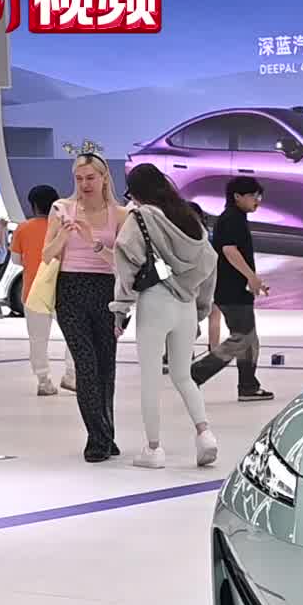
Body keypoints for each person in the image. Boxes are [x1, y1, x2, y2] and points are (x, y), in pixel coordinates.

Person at [113, 164, 219, 469]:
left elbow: (126, 264)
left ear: (135, 191)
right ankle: (205, 434)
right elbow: (209, 263)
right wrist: (201, 308)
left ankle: (154, 449)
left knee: (150, 379)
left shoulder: (140, 218)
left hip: (154, 301)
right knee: (183, 375)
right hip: (186, 305)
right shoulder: (188, 218)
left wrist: (120, 309)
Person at [44, 154, 127, 463]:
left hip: (106, 291)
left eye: (90, 177)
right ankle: (97, 437)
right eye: (79, 179)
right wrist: (64, 235)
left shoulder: (120, 214)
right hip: (70, 289)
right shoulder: (61, 209)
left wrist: (95, 243)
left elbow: (123, 264)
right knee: (86, 364)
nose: (84, 184)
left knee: (106, 366)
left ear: (104, 178)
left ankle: (106, 433)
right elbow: (46, 255)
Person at [189, 176, 273, 402]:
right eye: (253, 196)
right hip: (231, 289)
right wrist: (251, 277)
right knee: (242, 337)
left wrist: (254, 280)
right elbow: (230, 250)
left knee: (249, 339)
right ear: (237, 196)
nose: (257, 201)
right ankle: (197, 372)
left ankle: (248, 385)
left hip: (236, 288)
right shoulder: (232, 219)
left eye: (259, 196)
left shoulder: (236, 218)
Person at [10, 184, 71, 395]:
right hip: (62, 288)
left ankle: (43, 381)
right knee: (73, 335)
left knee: (37, 339)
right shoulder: (65, 227)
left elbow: (16, 260)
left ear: (33, 205)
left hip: (33, 290)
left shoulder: (23, 228)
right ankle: (71, 375)